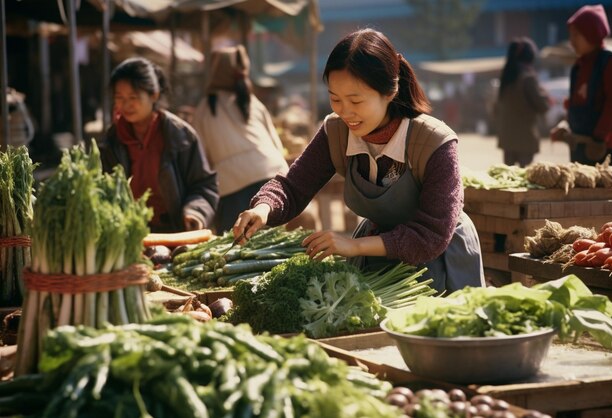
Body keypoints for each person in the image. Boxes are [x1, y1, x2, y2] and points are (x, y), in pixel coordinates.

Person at [232, 29, 485, 293]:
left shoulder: (435, 142)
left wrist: (353, 246)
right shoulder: (336, 130)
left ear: (390, 91)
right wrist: (263, 208)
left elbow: (430, 236)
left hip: (440, 259)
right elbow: (294, 186)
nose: (345, 112)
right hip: (374, 255)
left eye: (356, 100)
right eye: (335, 99)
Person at [100, 57, 219, 233]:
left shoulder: (180, 136)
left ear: (154, 94)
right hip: (127, 233)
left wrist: (195, 212)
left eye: (133, 97)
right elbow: (105, 188)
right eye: (119, 97)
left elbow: (203, 185)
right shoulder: (113, 140)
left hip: (175, 232)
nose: (126, 105)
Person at [193, 45, 289, 235]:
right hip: (271, 173)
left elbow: (201, 157)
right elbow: (276, 143)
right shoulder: (252, 102)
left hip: (232, 185)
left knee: (237, 246)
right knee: (272, 244)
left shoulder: (205, 108)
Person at [550, 4, 612, 174]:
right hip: (580, 149)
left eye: (576, 35)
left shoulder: (611, 64)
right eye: (571, 35)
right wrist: (566, 125)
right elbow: (575, 103)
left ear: (592, 33)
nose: (572, 41)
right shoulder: (579, 66)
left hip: (604, 150)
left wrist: (600, 136)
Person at [495, 37, 551, 167]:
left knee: (508, 179)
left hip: (507, 138)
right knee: (524, 180)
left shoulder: (506, 78)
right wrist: (545, 96)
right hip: (525, 138)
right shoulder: (528, 78)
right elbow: (542, 106)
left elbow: (497, 107)